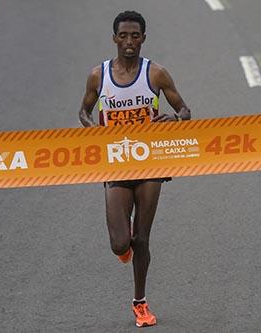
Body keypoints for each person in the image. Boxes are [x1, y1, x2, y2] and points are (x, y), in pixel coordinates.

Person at [78, 10, 191, 328]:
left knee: (142, 238)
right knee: (120, 243)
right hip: (115, 162)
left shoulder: (155, 74)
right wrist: (90, 127)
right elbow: (83, 110)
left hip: (151, 160)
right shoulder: (98, 76)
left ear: (143, 39)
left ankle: (140, 303)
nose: (129, 42)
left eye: (135, 36)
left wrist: (175, 117)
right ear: (114, 38)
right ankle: (123, 246)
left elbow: (184, 108)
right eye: (123, 36)